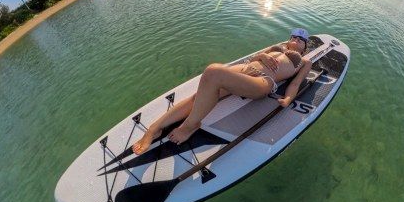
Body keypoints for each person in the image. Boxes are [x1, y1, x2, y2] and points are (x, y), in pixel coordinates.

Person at [132, 28, 313, 154]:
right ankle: (155, 127)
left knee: (213, 71)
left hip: (263, 81)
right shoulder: (279, 46)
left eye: (301, 40)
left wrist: (288, 98)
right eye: (294, 37)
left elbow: (296, 83)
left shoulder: (305, 62)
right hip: (245, 69)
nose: (296, 40)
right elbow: (254, 58)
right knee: (200, 95)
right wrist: (263, 55)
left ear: (305, 47)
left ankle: (189, 125)